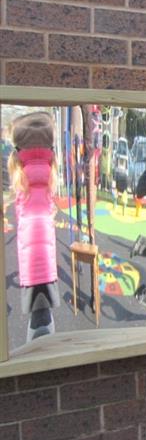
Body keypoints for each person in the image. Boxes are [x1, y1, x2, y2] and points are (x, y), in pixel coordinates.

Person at [7, 111, 60, 341]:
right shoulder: (49, 170)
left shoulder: (19, 172)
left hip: (29, 254)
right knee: (45, 308)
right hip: (46, 254)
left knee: (36, 312)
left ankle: (36, 334)